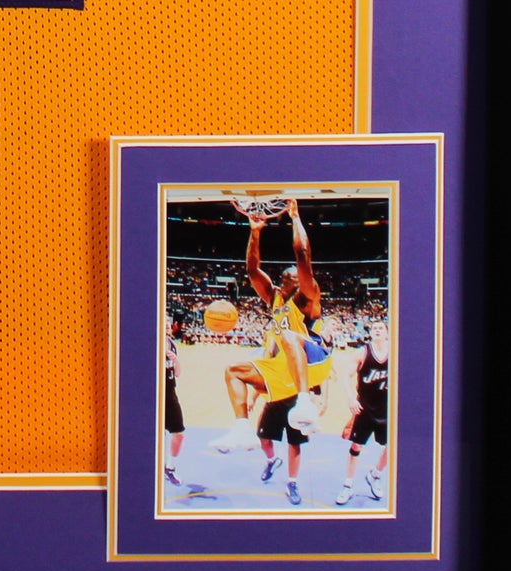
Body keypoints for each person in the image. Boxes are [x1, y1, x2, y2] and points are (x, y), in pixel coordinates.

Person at [209, 201, 330, 505]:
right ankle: (241, 428)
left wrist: (295, 217)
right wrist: (255, 232)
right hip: (282, 372)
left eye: (295, 278)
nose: (293, 280)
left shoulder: (307, 299)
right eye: (289, 279)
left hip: (311, 362)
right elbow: (252, 270)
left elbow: (303, 255)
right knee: (234, 371)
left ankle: (304, 404)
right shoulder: (275, 299)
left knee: (288, 336)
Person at [336, 318, 390, 505]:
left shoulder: (395, 353)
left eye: (381, 328)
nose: (377, 330)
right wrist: (351, 398)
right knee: (356, 446)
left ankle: (375, 475)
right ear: (371, 332)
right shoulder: (362, 353)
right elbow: (345, 375)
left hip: (386, 409)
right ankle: (348, 485)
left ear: (387, 332)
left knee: (393, 446)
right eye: (374, 328)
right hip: (365, 408)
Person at [163, 311, 185, 486]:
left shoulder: (172, 344)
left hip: (170, 393)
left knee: (179, 433)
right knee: (154, 436)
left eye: (168, 323)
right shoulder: (152, 344)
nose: (167, 326)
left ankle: (170, 467)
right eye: (164, 323)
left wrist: (175, 359)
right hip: (154, 395)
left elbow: (177, 373)